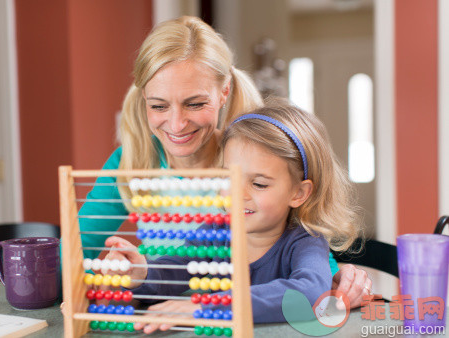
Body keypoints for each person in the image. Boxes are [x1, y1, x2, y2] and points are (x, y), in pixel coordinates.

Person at [78, 15, 371, 310]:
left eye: (195, 103)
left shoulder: (254, 155)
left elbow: (312, 283)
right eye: (158, 105)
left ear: (224, 92)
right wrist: (136, 273)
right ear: (144, 99)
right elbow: (173, 270)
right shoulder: (217, 229)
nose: (177, 124)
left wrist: (336, 278)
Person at [103, 99, 362, 332]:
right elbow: (169, 274)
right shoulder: (214, 235)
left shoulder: (305, 241)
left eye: (259, 184)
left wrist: (212, 308)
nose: (238, 194)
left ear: (298, 192)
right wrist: (140, 273)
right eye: (230, 177)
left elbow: (311, 293)